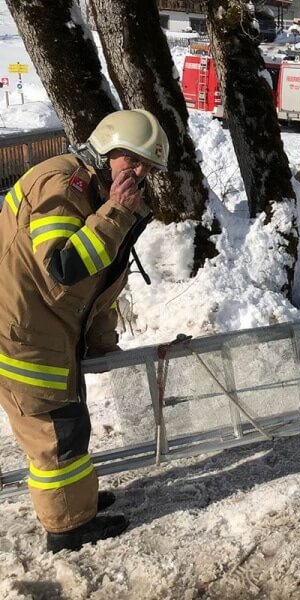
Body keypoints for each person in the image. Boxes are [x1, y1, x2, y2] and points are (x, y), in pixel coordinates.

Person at [0, 109, 168, 551]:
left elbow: (101, 284)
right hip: (23, 337)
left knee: (71, 424)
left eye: (148, 168)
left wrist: (100, 342)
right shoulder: (61, 185)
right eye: (133, 160)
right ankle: (68, 529)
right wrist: (115, 214)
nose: (139, 174)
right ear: (106, 148)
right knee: (55, 434)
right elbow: (64, 267)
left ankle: (78, 502)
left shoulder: (95, 191)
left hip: (47, 332)